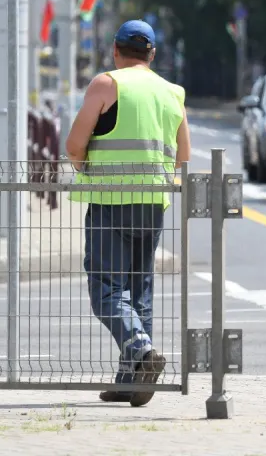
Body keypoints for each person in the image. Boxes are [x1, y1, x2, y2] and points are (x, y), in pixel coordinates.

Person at [65, 20, 191, 407]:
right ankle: (131, 382)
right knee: (140, 293)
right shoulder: (173, 92)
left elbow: (74, 146)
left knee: (106, 291)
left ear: (115, 51)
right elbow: (183, 155)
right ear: (152, 54)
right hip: (152, 205)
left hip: (109, 202)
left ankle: (140, 350)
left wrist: (87, 167)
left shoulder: (107, 84)